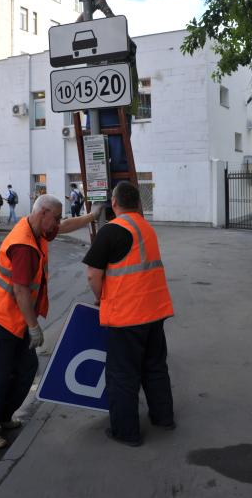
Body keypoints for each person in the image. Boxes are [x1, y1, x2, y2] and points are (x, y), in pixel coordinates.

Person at [0, 194, 101, 449]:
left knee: (25, 369)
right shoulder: (24, 246)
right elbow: (20, 291)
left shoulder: (38, 228)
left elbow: (64, 227)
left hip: (16, 318)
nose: (57, 224)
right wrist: (34, 327)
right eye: (55, 218)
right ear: (43, 213)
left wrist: (91, 217)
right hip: (2, 318)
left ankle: (2, 416)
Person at [83, 181, 175, 447]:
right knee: (155, 368)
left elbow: (92, 274)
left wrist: (101, 298)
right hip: (154, 312)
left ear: (114, 203)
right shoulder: (147, 228)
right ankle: (164, 418)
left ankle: (126, 432)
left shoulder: (111, 231)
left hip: (126, 316)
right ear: (137, 203)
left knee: (122, 375)